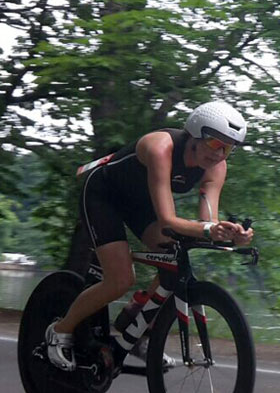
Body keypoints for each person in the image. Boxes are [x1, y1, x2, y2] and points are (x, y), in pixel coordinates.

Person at [45, 100, 254, 372]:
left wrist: (229, 234)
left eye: (228, 148)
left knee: (174, 260)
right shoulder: (160, 148)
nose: (219, 154)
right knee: (121, 279)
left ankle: (135, 325)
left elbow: (207, 222)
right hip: (103, 196)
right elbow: (168, 219)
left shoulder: (217, 166)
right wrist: (208, 230)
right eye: (215, 143)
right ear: (194, 133)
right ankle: (59, 330)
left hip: (141, 205)